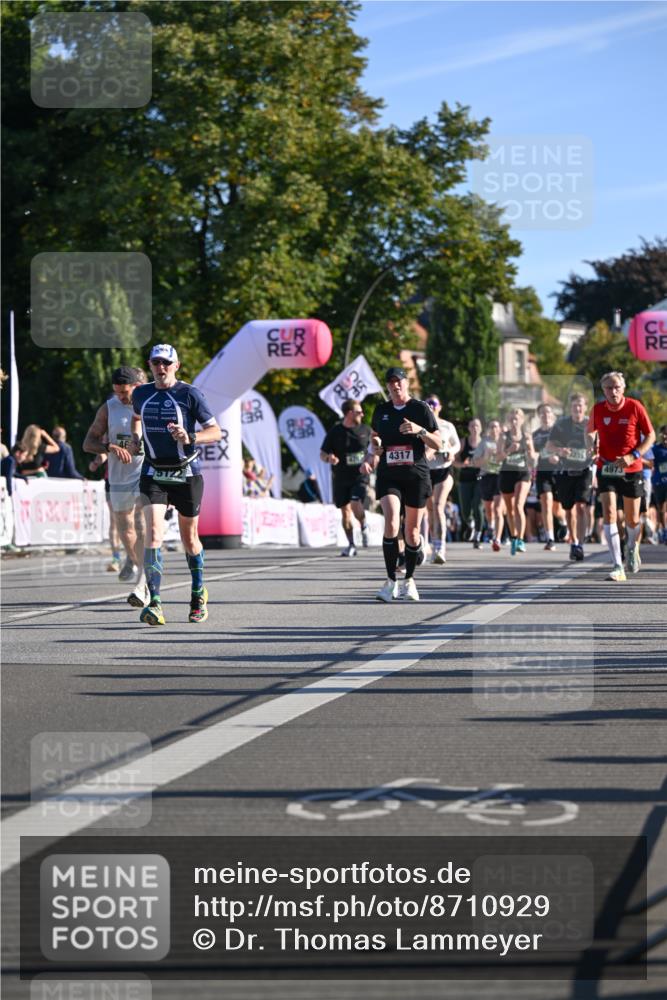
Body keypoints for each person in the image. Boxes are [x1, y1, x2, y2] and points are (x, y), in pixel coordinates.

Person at [130, 344, 222, 625]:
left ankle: (197, 593)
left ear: (176, 365)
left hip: (186, 472)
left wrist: (190, 436)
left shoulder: (190, 394)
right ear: (149, 365)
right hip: (154, 471)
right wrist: (135, 438)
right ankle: (155, 603)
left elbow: (215, 432)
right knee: (153, 533)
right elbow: (136, 418)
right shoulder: (142, 393)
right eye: (156, 362)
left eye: (166, 363)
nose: (161, 368)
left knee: (189, 539)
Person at [361, 367, 441, 602]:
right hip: (389, 474)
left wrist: (419, 430)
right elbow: (374, 436)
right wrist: (374, 447)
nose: (395, 386)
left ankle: (409, 580)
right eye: (391, 383)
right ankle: (390, 582)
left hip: (416, 474)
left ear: (407, 383)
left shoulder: (420, 408)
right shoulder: (381, 410)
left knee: (412, 533)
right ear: (387, 386)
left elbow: (438, 442)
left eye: (399, 382)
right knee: (392, 521)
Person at [84, 366, 150, 603]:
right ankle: (133, 559)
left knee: (142, 525)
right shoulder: (109, 408)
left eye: (124, 392)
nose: (121, 397)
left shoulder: (150, 403)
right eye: (117, 392)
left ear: (137, 386)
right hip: (118, 478)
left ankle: (143, 583)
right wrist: (108, 447)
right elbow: (88, 442)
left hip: (145, 473)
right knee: (126, 529)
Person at [586, 371, 655, 581]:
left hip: (631, 469)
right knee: (609, 513)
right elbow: (589, 432)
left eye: (616, 387)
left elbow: (650, 435)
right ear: (603, 390)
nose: (613, 391)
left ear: (623, 388)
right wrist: (592, 446)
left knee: (632, 520)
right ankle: (617, 565)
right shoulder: (597, 409)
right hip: (606, 467)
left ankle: (632, 547)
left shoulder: (635, 406)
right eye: (608, 388)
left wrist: (634, 455)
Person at [320, 398, 372, 557]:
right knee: (345, 512)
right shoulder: (335, 432)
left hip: (360, 476)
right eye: (359, 412)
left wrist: (371, 462)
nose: (362, 414)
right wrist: (329, 458)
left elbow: (375, 450)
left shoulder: (366, 430)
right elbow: (322, 454)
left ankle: (363, 524)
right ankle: (351, 544)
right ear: (349, 413)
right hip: (341, 477)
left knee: (356, 503)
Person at [548, 393, 594, 562]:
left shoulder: (591, 423)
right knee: (568, 509)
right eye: (574, 405)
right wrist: (560, 451)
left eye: (580, 405)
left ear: (585, 407)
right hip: (565, 471)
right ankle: (573, 541)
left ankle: (580, 544)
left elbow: (600, 443)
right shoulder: (561, 424)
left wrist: (595, 452)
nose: (577, 408)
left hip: (585, 469)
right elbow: (549, 445)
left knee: (581, 506)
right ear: (570, 408)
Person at [423, 394, 460, 564]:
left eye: (434, 403)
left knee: (438, 506)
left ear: (440, 406)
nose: (431, 406)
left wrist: (451, 451)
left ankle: (441, 547)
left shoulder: (447, 425)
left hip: (444, 470)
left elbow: (457, 443)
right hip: (427, 471)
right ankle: (433, 542)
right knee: (429, 510)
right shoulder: (422, 426)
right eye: (428, 404)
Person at [497, 408, 537, 554]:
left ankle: (520, 540)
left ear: (521, 420)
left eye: (517, 418)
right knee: (510, 509)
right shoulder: (503, 436)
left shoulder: (526, 436)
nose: (514, 421)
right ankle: (514, 537)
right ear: (509, 420)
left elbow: (533, 458)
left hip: (523, 474)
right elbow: (498, 458)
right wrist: (509, 450)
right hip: (507, 474)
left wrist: (529, 448)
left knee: (519, 505)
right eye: (512, 419)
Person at [532, 403, 560, 550]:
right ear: (539, 416)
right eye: (542, 413)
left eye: (548, 412)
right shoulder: (535, 435)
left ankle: (563, 523)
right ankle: (550, 539)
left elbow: (568, 449)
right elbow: (532, 454)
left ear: (553, 415)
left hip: (559, 472)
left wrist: (558, 456)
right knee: (546, 504)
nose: (545, 415)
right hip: (542, 472)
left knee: (558, 510)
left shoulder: (560, 431)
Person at [475, 418, 505, 551]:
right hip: (486, 476)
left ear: (500, 428)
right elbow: (475, 462)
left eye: (496, 426)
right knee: (488, 508)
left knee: (498, 509)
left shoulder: (504, 441)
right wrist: (486, 456)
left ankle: (497, 539)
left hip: (500, 476)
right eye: (492, 426)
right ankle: (491, 525)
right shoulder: (484, 442)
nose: (494, 429)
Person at [455, 417, 484, 549]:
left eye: (477, 426)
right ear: (469, 428)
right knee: (465, 509)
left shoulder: (485, 443)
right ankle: (470, 523)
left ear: (481, 428)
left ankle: (477, 536)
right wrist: (462, 464)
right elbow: (453, 461)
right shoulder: (463, 442)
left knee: (478, 506)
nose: (475, 428)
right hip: (465, 478)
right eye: (472, 426)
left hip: (480, 478)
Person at [651, 424, 667, 543]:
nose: (665, 436)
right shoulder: (656, 449)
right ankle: (664, 530)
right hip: (658, 483)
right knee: (660, 510)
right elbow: (650, 463)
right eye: (663, 434)